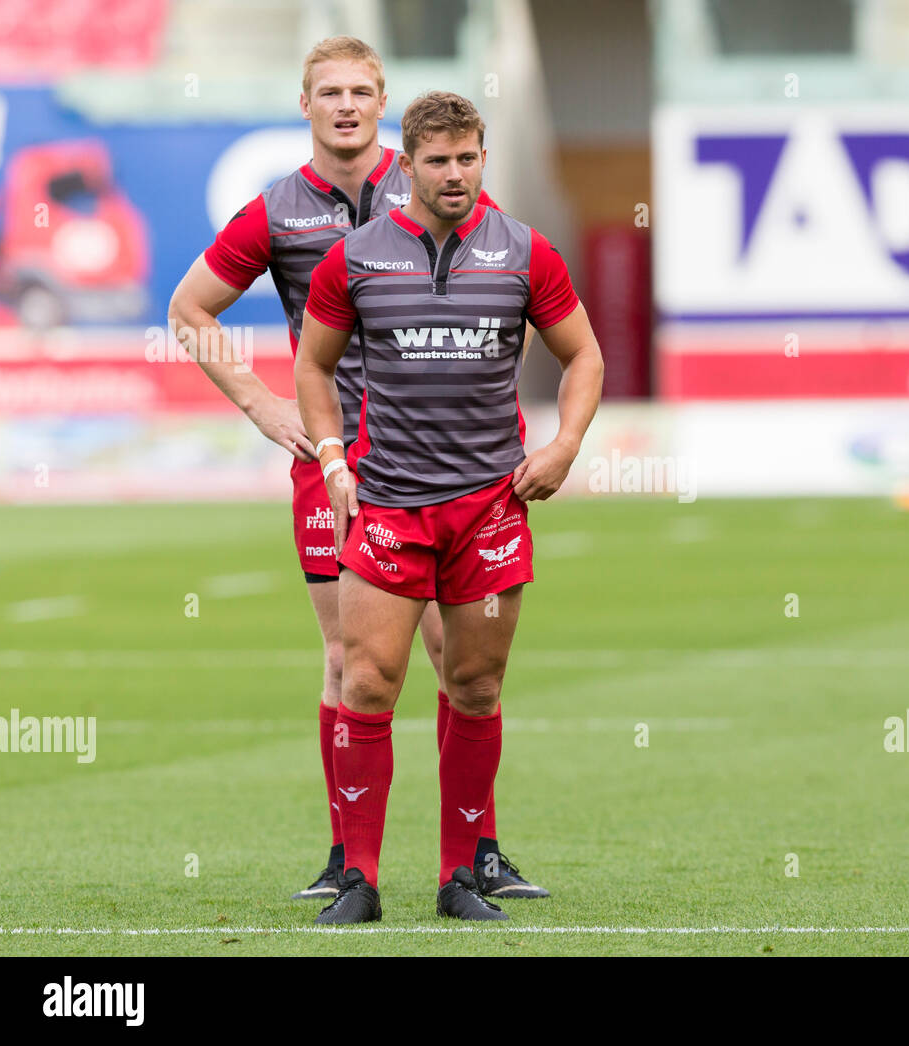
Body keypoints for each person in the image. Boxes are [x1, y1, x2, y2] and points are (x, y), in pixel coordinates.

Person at [167, 39, 547, 904]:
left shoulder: (434, 180)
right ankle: (349, 862)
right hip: (340, 460)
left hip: (453, 459)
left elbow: (510, 289)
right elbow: (188, 310)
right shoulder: (277, 212)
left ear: (383, 103)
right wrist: (267, 409)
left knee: (464, 658)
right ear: (304, 104)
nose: (346, 105)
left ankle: (477, 853)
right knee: (349, 658)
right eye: (329, 92)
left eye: (361, 91)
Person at [296, 90, 603, 922]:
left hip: (490, 511)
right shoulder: (354, 258)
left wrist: (564, 447)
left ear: (482, 158)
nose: (456, 173)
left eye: (469, 157)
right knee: (366, 681)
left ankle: (460, 877)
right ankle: (356, 878)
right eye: (439, 160)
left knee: (475, 685)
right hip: (391, 505)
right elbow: (313, 367)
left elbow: (583, 355)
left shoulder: (525, 253)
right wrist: (331, 456)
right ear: (409, 165)